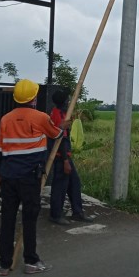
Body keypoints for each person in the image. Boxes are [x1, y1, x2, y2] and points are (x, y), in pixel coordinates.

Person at [0, 79, 68, 276]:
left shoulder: (6, 119)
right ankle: (31, 262)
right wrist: (63, 126)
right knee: (29, 219)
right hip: (29, 178)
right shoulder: (40, 117)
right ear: (33, 98)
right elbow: (56, 135)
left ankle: (4, 264)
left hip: (8, 177)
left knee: (7, 219)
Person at [49, 89, 94, 225]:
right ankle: (56, 215)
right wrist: (65, 161)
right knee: (60, 187)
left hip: (64, 156)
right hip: (61, 157)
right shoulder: (58, 115)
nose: (69, 102)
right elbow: (61, 140)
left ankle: (77, 213)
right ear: (63, 102)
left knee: (74, 183)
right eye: (67, 100)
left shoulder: (61, 113)